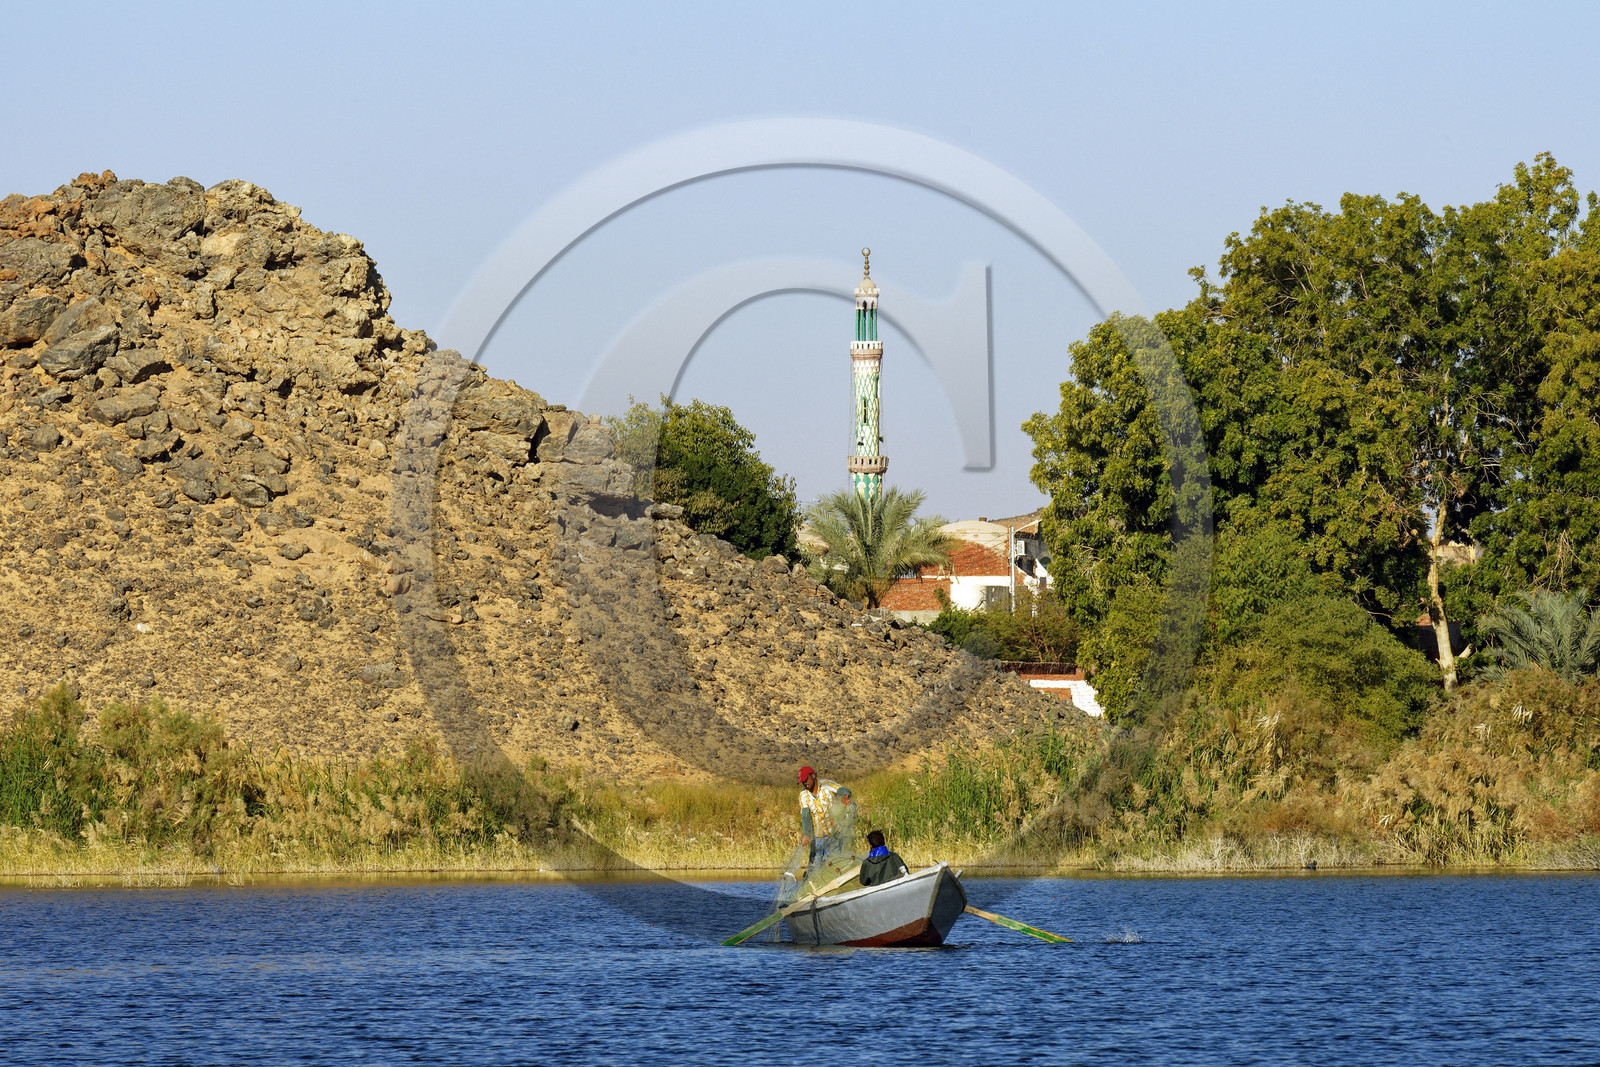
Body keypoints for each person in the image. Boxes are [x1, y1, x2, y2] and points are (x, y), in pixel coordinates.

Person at [797, 765, 852, 865]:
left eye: (806, 780)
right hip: (818, 836)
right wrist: (806, 834)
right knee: (815, 865)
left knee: (833, 863)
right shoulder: (803, 795)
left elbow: (844, 790)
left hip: (834, 832)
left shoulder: (827, 785)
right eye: (802, 782)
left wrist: (845, 797)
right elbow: (805, 816)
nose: (805, 783)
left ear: (813, 776)